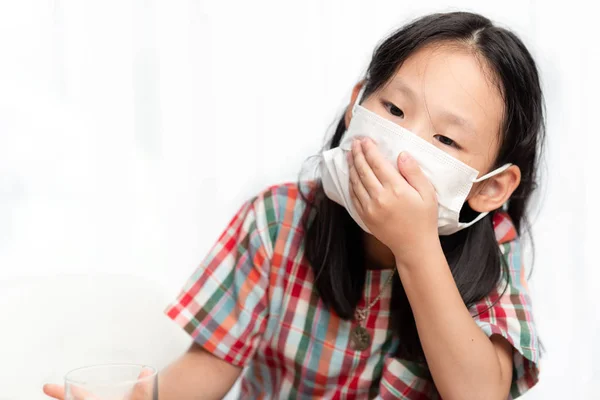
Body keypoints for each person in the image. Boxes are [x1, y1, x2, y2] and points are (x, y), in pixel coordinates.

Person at [44, 10, 544, 400]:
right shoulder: (276, 221)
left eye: (445, 139)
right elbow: (213, 362)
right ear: (355, 106)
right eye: (393, 109)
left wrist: (415, 248)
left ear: (489, 189)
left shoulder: (496, 252)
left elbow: (480, 392)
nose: (404, 148)